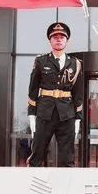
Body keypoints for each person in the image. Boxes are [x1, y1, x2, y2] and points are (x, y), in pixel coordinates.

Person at [27, 22, 84, 167]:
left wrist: (78, 118)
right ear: (50, 40)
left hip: (67, 114)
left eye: (62, 37)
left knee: (67, 158)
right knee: (37, 155)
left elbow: (78, 93)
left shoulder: (75, 64)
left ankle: (66, 182)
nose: (58, 40)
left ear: (66, 41)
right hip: (45, 112)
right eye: (55, 37)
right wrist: (31, 115)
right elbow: (33, 89)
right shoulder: (41, 61)